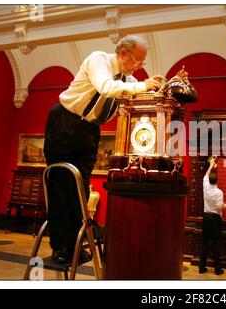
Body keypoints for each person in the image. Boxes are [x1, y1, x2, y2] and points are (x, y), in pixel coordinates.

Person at [44, 35, 163, 263]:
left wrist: (158, 88)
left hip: (89, 130)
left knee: (81, 190)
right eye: (138, 59)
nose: (140, 65)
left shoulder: (126, 77)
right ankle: (60, 249)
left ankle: (74, 247)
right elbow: (107, 88)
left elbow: (136, 91)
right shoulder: (98, 59)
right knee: (61, 187)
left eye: (142, 61)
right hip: (65, 122)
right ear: (122, 53)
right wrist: (140, 85)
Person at [199, 156, 226, 275]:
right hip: (215, 219)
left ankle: (201, 268)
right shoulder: (218, 192)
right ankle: (217, 269)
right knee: (216, 243)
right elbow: (219, 207)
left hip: (205, 217)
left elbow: (206, 175)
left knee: (204, 243)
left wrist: (211, 165)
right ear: (216, 181)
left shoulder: (206, 187)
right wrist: (225, 206)